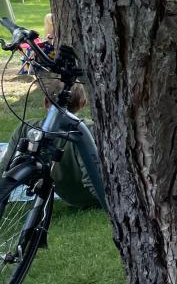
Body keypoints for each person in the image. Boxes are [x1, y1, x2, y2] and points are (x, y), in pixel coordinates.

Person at [1, 80, 103, 209]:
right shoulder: (88, 132)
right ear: (83, 104)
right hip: (92, 197)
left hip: (67, 194)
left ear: (45, 102)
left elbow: (5, 168)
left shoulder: (26, 128)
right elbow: (92, 179)